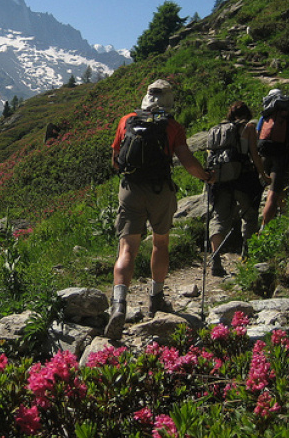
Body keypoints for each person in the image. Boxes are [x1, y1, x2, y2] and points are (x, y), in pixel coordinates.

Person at [105, 79, 214, 340]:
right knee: (160, 243)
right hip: (160, 191)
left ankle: (119, 305)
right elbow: (187, 161)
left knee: (127, 247)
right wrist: (207, 176)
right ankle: (156, 298)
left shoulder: (126, 121)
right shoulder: (173, 127)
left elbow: (115, 159)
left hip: (130, 188)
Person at [208, 101, 271, 276]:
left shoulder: (217, 129)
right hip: (243, 177)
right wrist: (263, 175)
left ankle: (215, 258)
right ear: (247, 113)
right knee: (249, 215)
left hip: (220, 179)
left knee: (219, 218)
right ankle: (247, 256)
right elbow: (254, 154)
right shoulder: (248, 127)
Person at [257, 89, 289, 230]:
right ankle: (264, 230)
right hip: (283, 156)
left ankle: (284, 219)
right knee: (274, 192)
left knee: (278, 189)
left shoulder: (267, 114)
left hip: (264, 155)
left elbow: (258, 136)